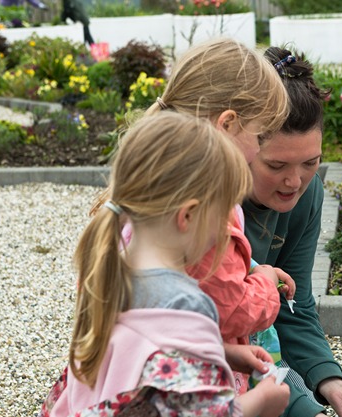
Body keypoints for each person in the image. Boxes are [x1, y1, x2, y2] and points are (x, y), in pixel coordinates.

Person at [39, 111, 290, 416]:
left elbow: (142, 355)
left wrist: (223, 352)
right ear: (188, 216)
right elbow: (202, 412)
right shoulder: (187, 303)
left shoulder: (107, 275)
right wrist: (262, 403)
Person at [93, 38, 295, 394]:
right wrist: (265, 282)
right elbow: (230, 309)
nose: (260, 148)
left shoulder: (152, 186)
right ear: (228, 124)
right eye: (260, 135)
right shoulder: (204, 210)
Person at [241, 46, 342, 417]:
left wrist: (329, 383)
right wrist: (300, 403)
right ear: (239, 145)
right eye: (276, 165)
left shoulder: (307, 195)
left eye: (311, 162)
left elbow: (294, 302)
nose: (294, 181)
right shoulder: (205, 207)